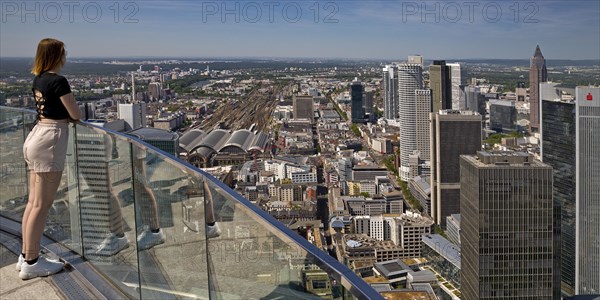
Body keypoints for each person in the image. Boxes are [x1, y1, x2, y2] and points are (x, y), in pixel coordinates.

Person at [19, 38, 80, 280]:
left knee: (33, 203)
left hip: (36, 137)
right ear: (57, 55)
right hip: (50, 140)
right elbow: (74, 114)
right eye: (64, 52)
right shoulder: (58, 81)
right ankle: (32, 263)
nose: (66, 57)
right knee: (41, 206)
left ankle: (26, 255)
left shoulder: (39, 78)